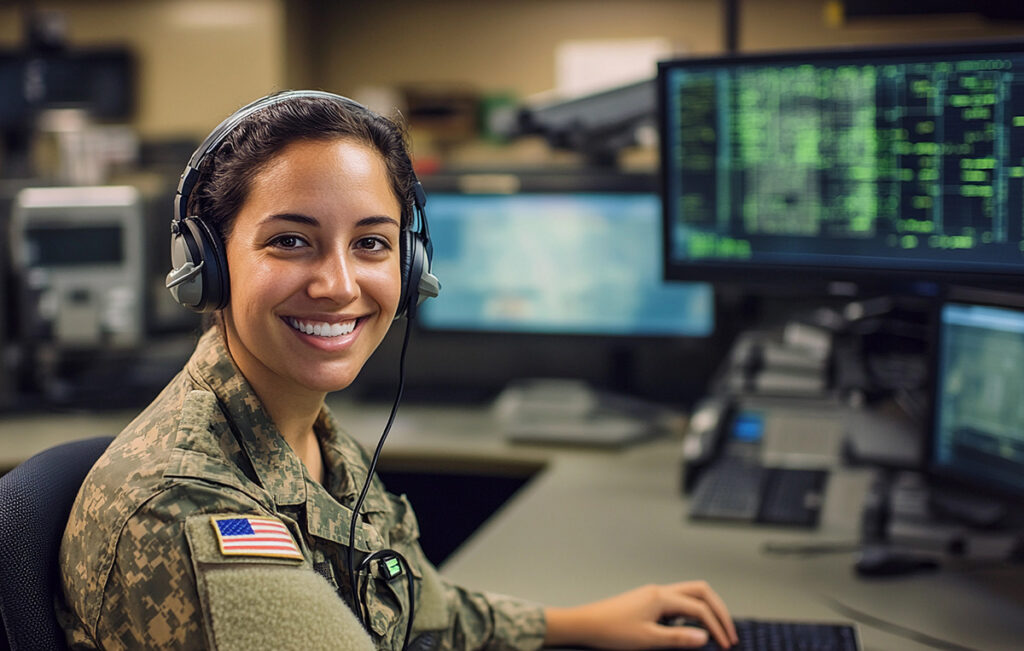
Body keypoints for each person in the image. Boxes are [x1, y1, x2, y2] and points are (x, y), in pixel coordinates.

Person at [58, 91, 738, 651]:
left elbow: (416, 610)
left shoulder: (314, 440)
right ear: (207, 266)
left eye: (371, 243)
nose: (338, 284)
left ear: (410, 269)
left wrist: (578, 624)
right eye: (290, 240)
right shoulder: (185, 509)